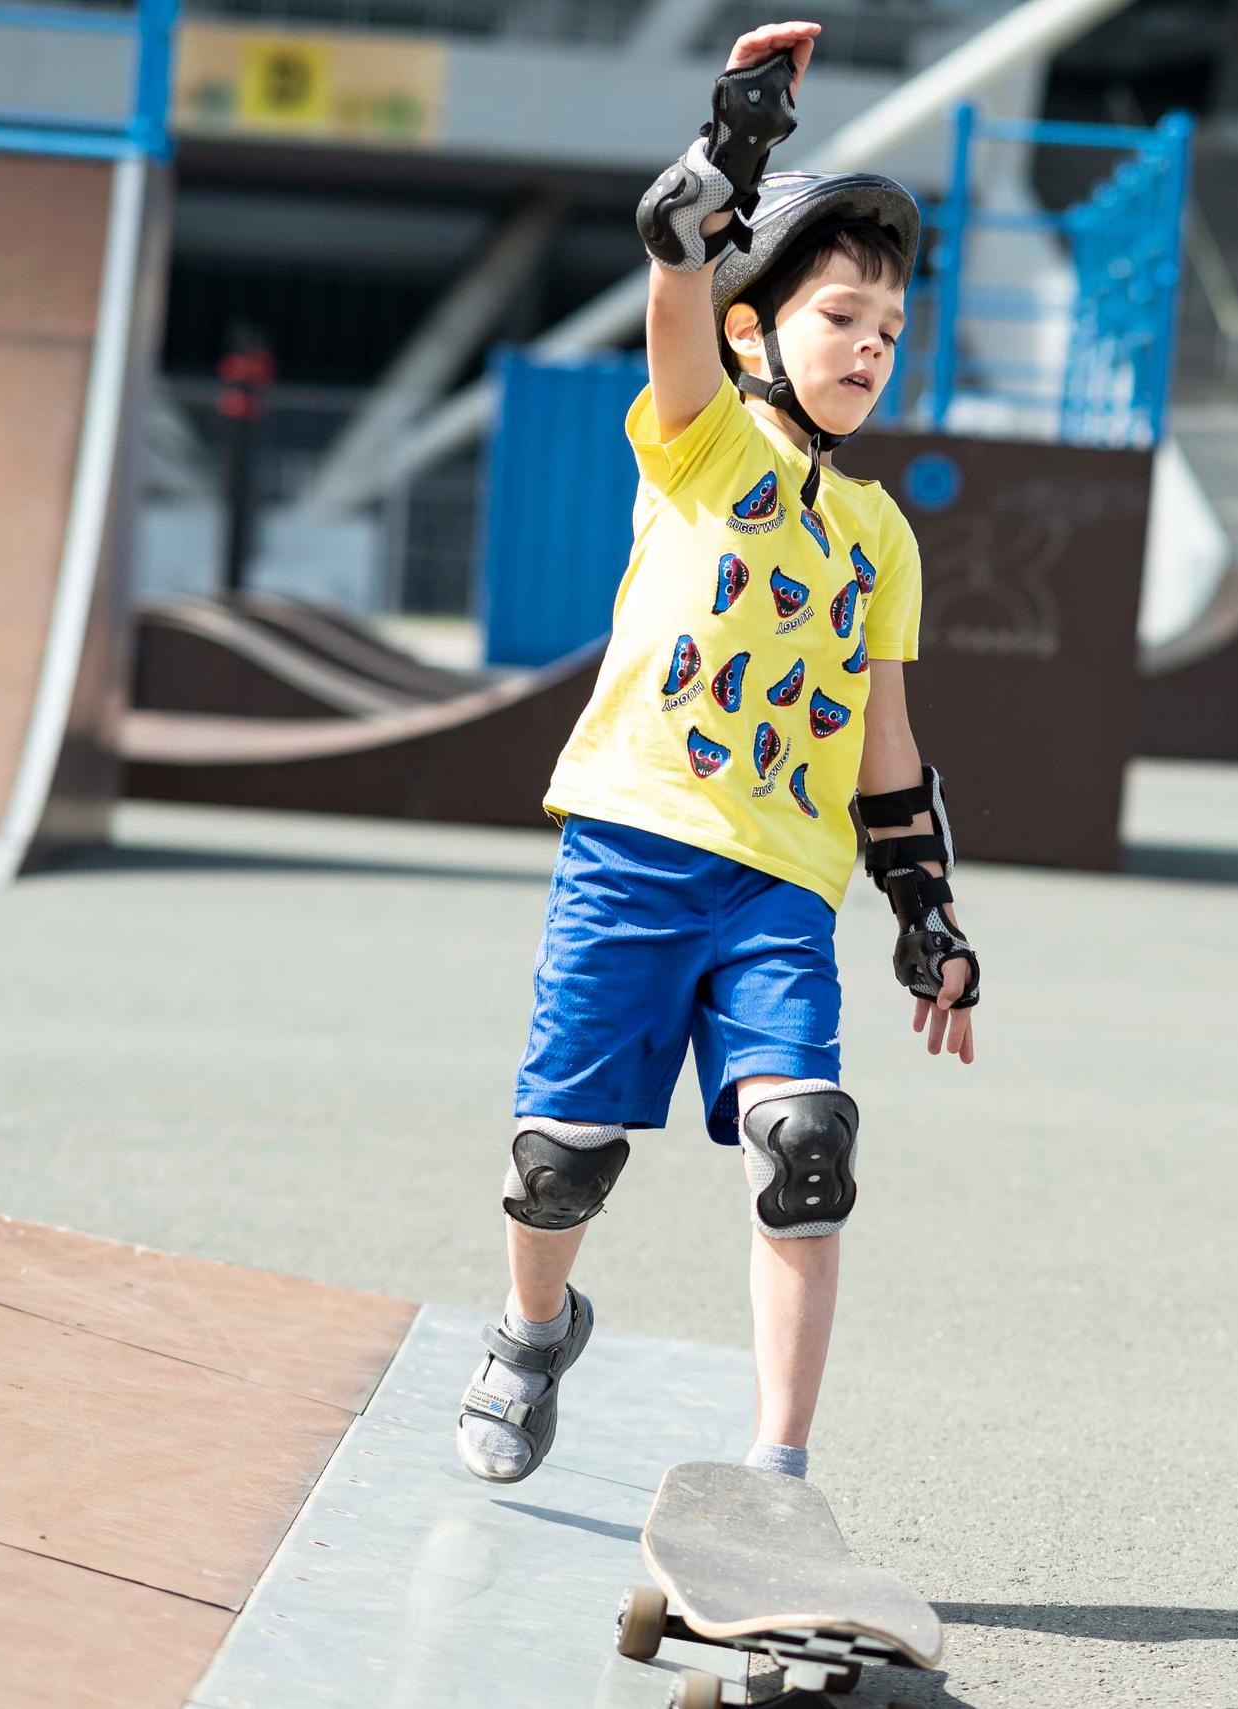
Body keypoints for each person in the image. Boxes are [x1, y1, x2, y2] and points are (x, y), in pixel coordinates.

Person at [455, 20, 977, 1488]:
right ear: (760, 331)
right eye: (840, 317)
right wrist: (729, 154)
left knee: (808, 1147)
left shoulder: (882, 536)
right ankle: (528, 1328)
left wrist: (926, 911)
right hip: (631, 846)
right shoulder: (702, 440)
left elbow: (888, 743)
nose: (872, 345)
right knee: (561, 1157)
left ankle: (778, 1467)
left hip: (778, 892)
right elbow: (676, 263)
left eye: (889, 326)